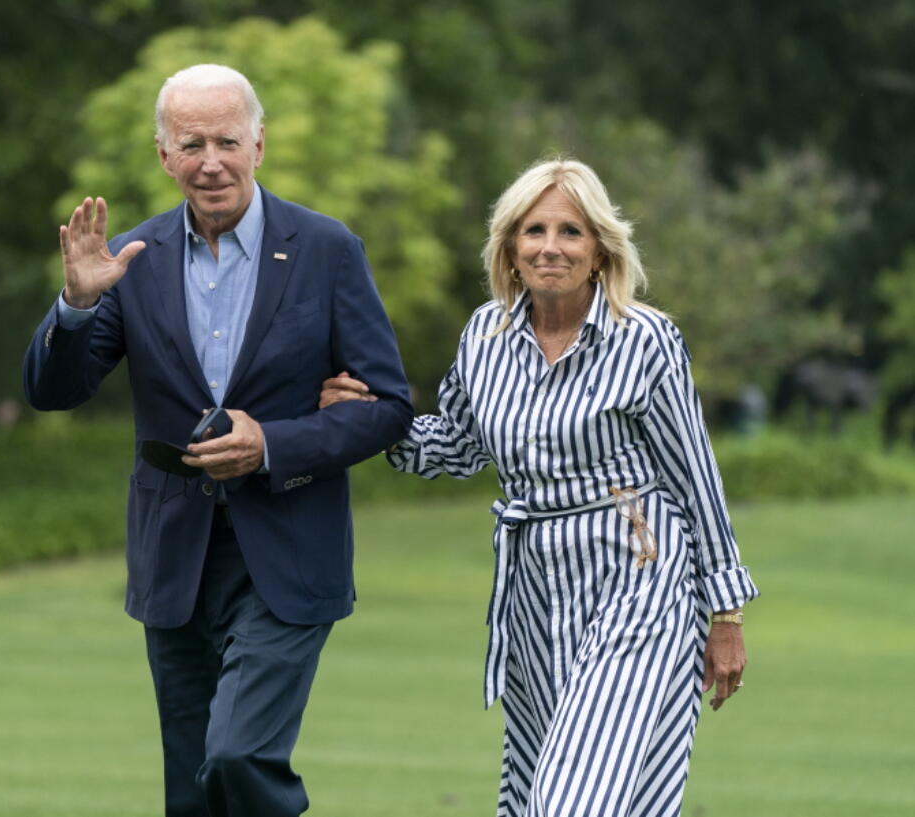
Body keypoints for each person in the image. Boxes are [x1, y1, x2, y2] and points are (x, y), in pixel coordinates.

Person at [22, 64, 412, 817]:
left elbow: (388, 405)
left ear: (259, 144)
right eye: (191, 143)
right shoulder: (126, 262)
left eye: (227, 140)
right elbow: (53, 390)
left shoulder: (328, 249)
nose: (211, 161)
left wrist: (271, 443)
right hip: (175, 556)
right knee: (192, 792)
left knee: (237, 755)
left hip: (290, 550)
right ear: (164, 155)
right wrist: (74, 305)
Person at [321, 158, 758, 817]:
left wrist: (726, 613)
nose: (550, 246)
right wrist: (366, 421)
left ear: (600, 249)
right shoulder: (484, 337)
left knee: (571, 797)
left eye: (571, 232)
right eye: (534, 230)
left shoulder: (646, 341)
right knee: (564, 793)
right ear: (510, 247)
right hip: (533, 587)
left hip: (640, 575)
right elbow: (456, 445)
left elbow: (694, 475)